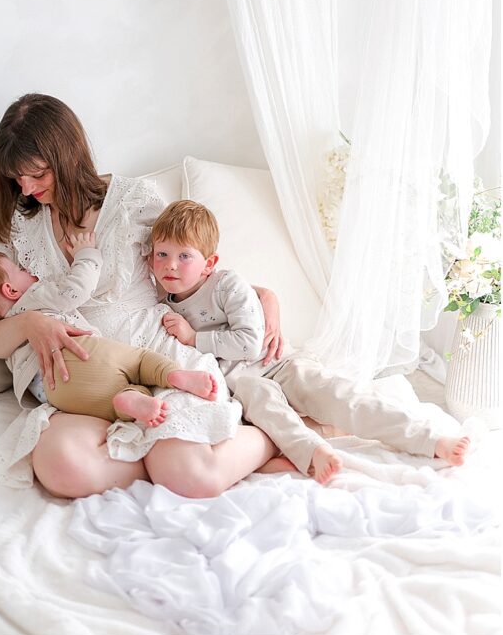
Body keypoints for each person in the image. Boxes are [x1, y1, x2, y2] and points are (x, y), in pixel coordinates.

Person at [0, 93, 285, 499]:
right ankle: (161, 453)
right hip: (88, 386)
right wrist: (31, 322)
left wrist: (265, 297)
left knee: (191, 478)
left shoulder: (133, 203)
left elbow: (192, 269)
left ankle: (265, 439)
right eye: (17, 179)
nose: (28, 189)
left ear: (68, 157)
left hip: (156, 357)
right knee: (61, 467)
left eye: (38, 175)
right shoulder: (19, 227)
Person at [151, 200, 471, 485]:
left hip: (277, 364)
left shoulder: (227, 285)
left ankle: (430, 439)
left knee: (342, 397)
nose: (171, 265)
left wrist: (194, 338)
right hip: (242, 384)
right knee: (268, 409)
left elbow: (249, 343)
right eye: (162, 254)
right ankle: (313, 453)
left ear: (209, 263)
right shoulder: (163, 304)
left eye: (184, 256)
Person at [0, 241, 218, 427]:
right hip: (81, 352)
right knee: (139, 360)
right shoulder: (34, 297)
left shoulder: (3, 335)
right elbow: (75, 290)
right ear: (10, 291)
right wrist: (87, 254)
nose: (27, 270)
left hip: (51, 391)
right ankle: (172, 374)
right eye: (20, 270)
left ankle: (128, 401)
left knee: (108, 400)